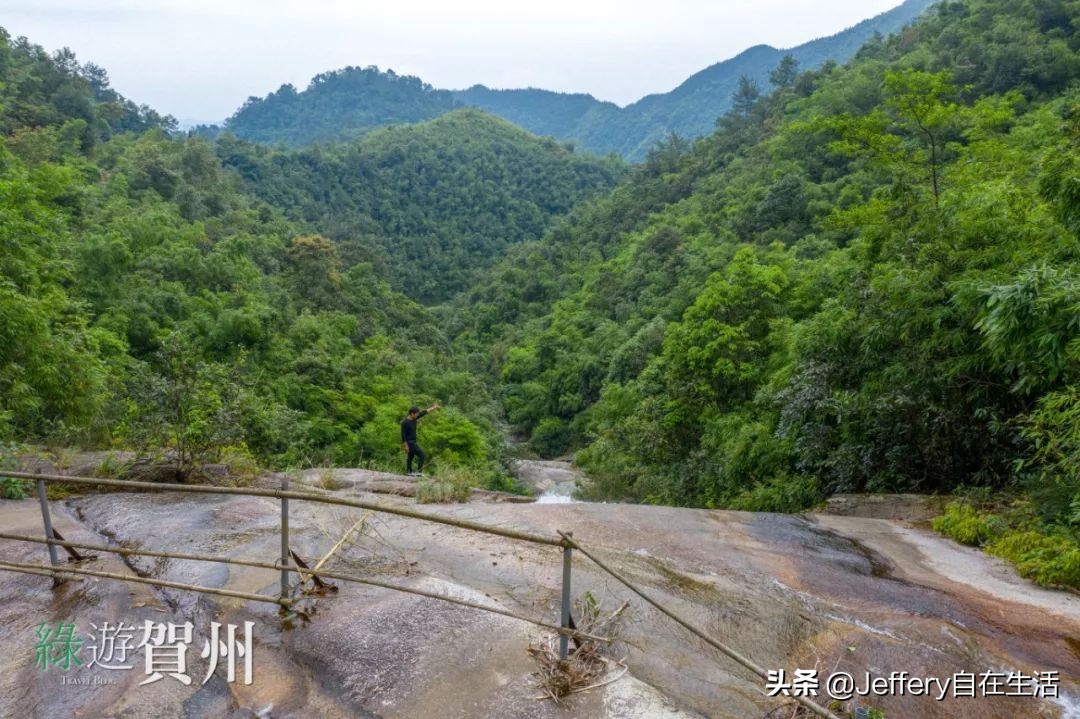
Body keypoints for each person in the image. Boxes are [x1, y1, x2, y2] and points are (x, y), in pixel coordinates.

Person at [401, 402, 440, 476]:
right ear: (412, 413)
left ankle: (409, 472)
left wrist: (434, 407)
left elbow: (424, 412)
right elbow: (403, 435)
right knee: (422, 455)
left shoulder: (414, 419)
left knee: (410, 456)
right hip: (410, 443)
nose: (417, 415)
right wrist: (405, 446)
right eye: (416, 414)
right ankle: (419, 472)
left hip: (413, 441)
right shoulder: (405, 423)